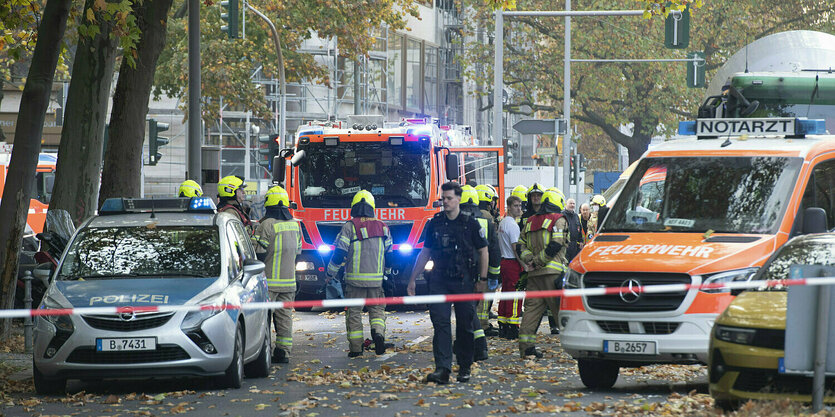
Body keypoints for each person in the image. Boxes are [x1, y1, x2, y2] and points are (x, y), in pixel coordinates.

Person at [407, 182, 488, 384]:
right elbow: (425, 252)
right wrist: (412, 279)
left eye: (449, 198)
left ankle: (465, 367)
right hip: (439, 281)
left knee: (464, 326)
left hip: (463, 282)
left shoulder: (470, 223)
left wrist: (483, 279)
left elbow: (483, 251)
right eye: (443, 198)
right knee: (440, 324)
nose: (445, 202)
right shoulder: (434, 223)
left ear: (458, 199)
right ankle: (442, 369)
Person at [325, 190, 393, 358]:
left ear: (353, 207)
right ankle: (378, 333)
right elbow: (390, 255)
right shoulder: (383, 226)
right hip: (376, 281)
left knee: (354, 313)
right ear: (372, 207)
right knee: (377, 310)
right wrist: (387, 275)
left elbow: (339, 253)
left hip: (354, 282)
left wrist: (329, 274)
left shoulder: (349, 226)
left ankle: (356, 349)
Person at [251, 185, 301, 363]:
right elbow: (298, 252)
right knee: (285, 319)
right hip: (289, 282)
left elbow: (258, 254)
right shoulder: (295, 225)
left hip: (268, 283)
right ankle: (283, 352)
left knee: (263, 318)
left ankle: (262, 352)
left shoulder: (266, 225)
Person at [517, 190, 568, 358]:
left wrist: (530, 260)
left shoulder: (530, 221)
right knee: (561, 312)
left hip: (534, 276)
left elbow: (520, 245)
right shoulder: (558, 220)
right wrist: (539, 260)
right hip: (552, 275)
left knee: (531, 312)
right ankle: (575, 349)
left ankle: (526, 348)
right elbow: (556, 245)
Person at [461, 185, 501, 359]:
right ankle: (477, 344)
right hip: (480, 271)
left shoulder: (455, 217)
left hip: (461, 272)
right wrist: (493, 274)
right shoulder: (488, 220)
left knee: (467, 309)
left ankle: (477, 345)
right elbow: (494, 250)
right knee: (471, 308)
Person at [498, 195, 524, 339]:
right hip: (513, 262)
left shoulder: (503, 223)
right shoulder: (512, 225)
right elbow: (516, 248)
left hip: (504, 261)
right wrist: (524, 265)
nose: (519, 208)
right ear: (509, 207)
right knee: (515, 294)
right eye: (516, 206)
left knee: (506, 293)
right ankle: (513, 326)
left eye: (520, 205)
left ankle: (503, 323)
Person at [562, 198, 583, 262]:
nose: (572, 205)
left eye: (573, 203)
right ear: (566, 204)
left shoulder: (576, 216)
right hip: (565, 245)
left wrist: (581, 241)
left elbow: (579, 229)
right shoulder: (562, 215)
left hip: (574, 245)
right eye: (570, 203)